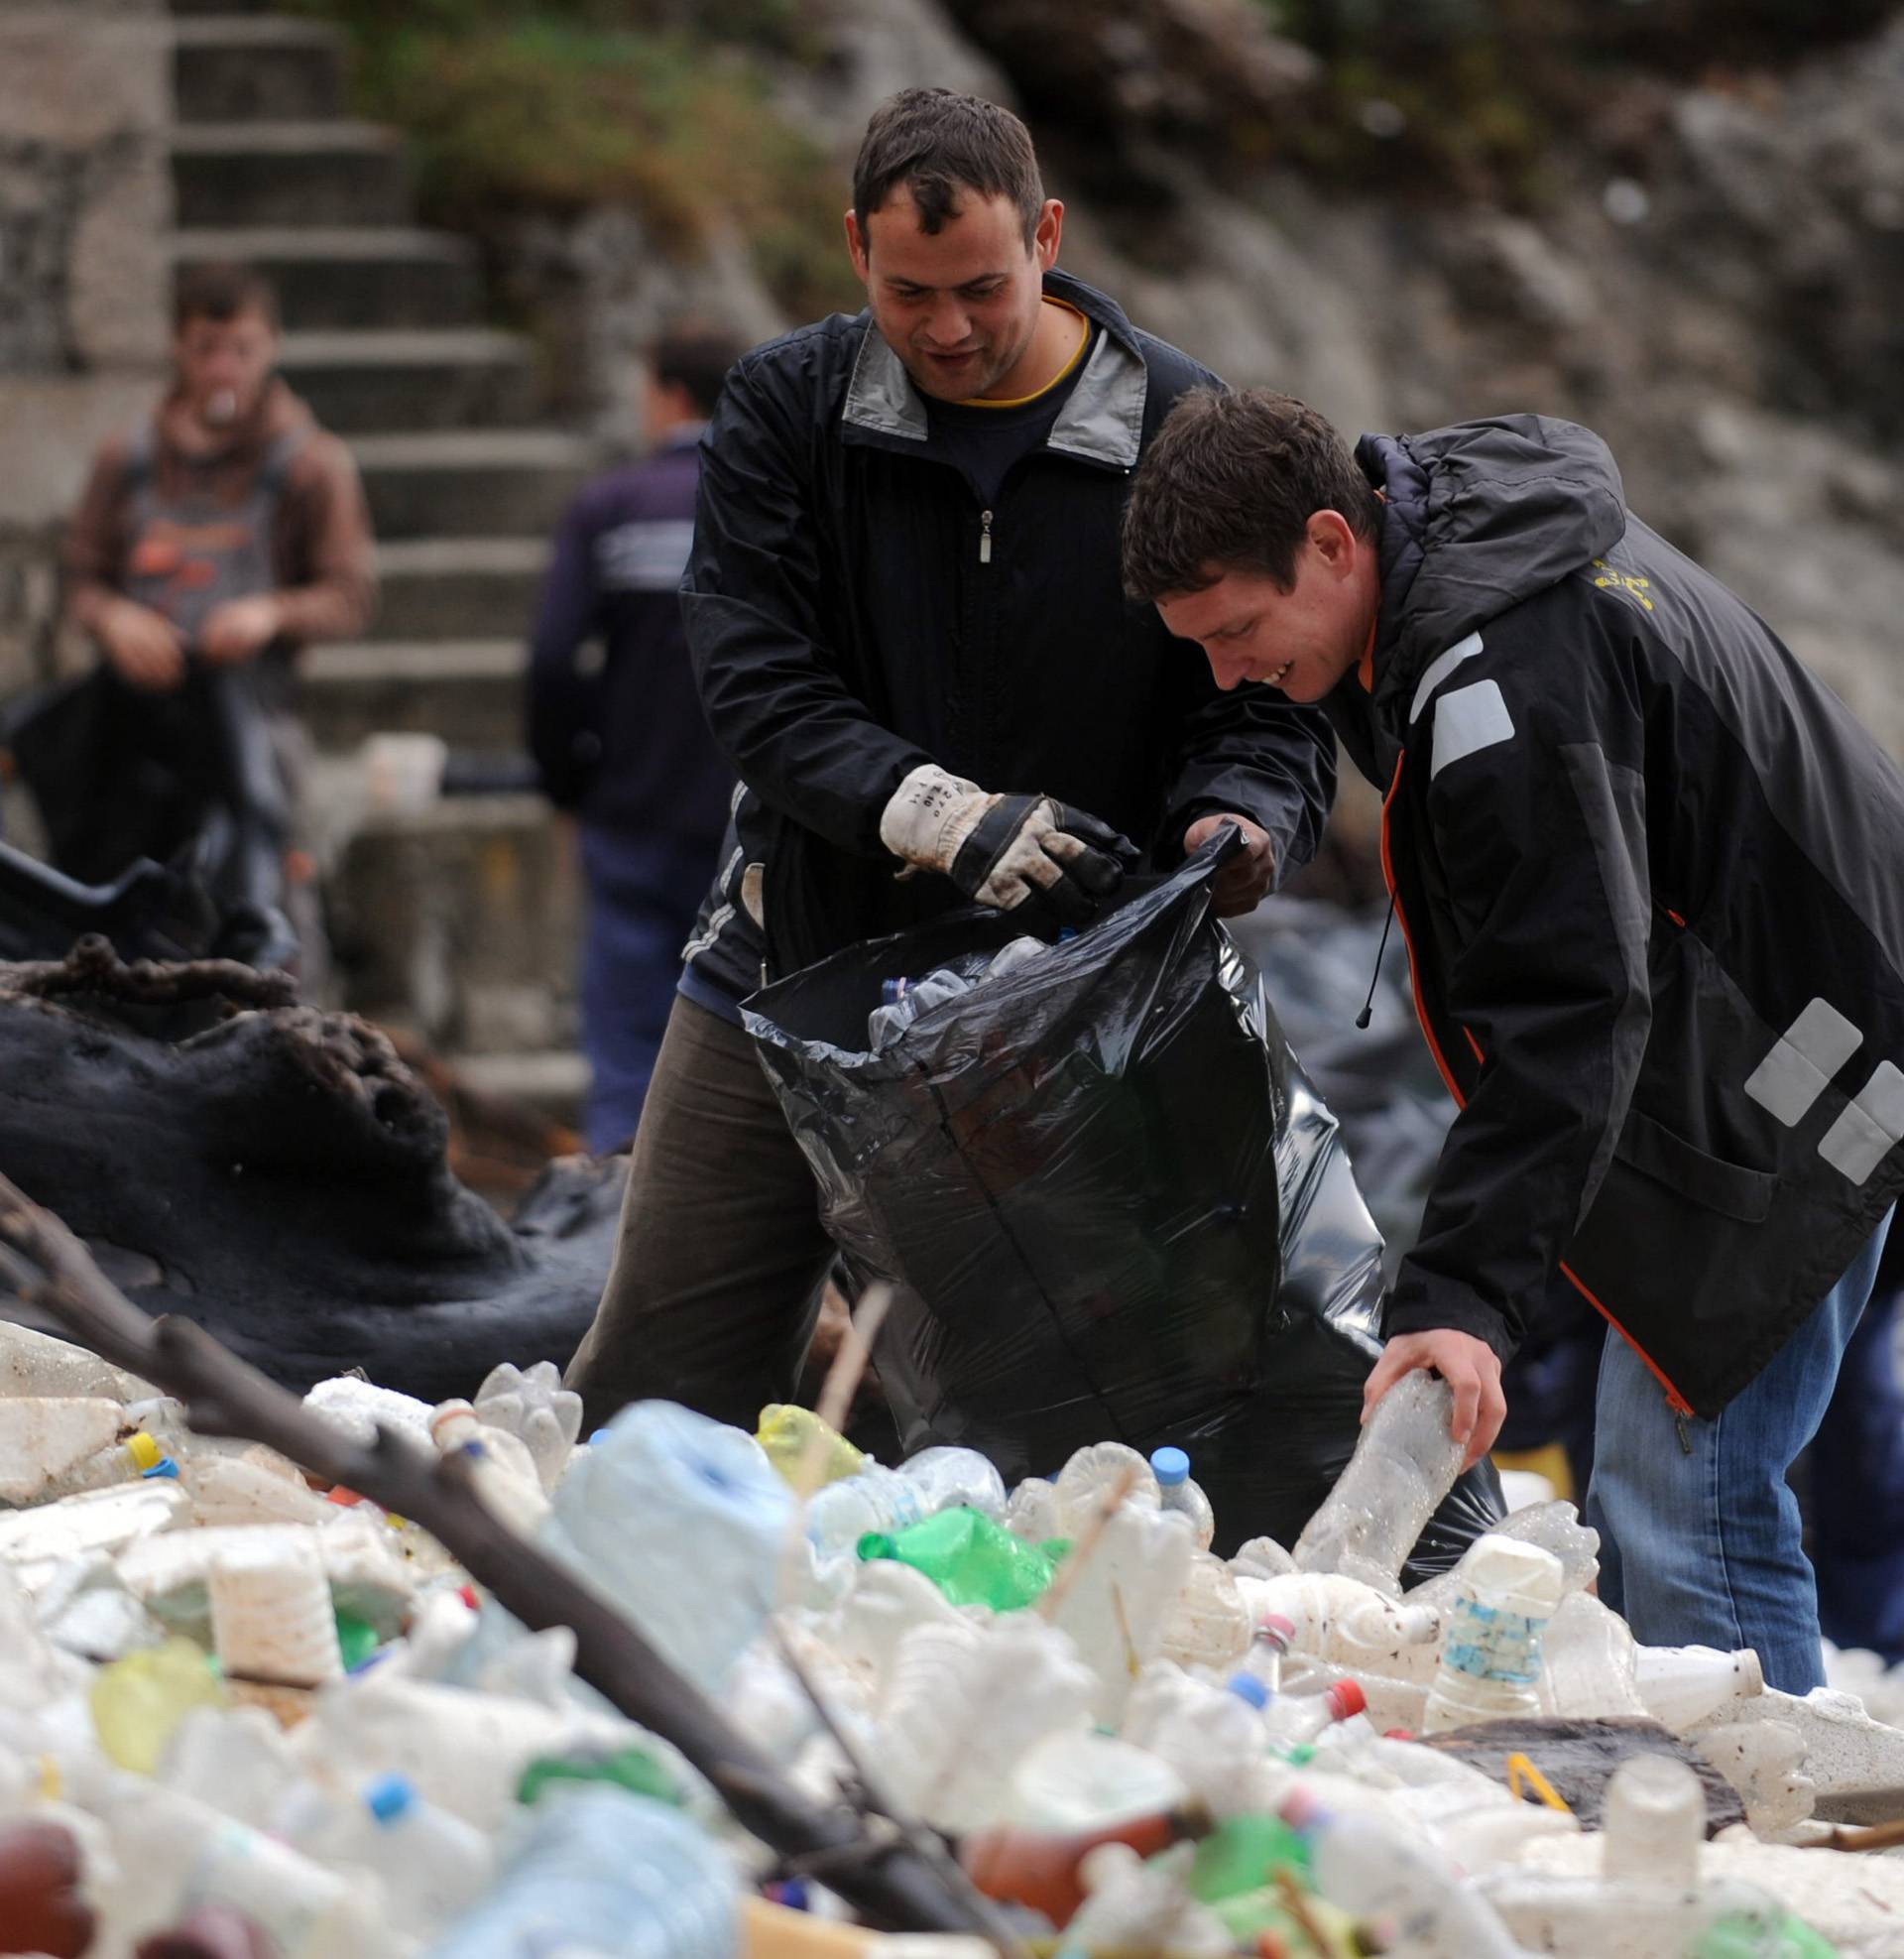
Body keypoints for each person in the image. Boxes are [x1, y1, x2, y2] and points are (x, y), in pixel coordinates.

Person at [564, 89, 1336, 1429]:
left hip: (1050, 1020)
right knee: (650, 1384)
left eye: (982, 286)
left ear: (1045, 233)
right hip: (783, 961)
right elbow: (751, 675)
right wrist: (926, 808)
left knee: (1022, 1423)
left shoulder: (1173, 420)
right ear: (856, 247)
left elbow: (1264, 695)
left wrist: (1242, 815)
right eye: (908, 292)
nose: (948, 329)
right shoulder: (787, 408)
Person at [1120, 387, 1904, 1690]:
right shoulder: (1460, 548)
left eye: (1240, 631)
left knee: (1690, 1494)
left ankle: (1753, 1840)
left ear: (1328, 540)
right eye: (1198, 645)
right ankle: (1731, 1806)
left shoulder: (1508, 681)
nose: (1227, 671)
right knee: (1671, 1471)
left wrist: (1461, 1301)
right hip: (1777, 1024)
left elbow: (1569, 1000)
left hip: (1809, 1064)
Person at [59, 261, 375, 971]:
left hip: (255, 728)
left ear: (271, 347)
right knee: (123, 918)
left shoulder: (310, 465)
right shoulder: (130, 457)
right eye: (206, 348)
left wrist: (271, 611)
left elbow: (351, 594)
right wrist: (114, 620)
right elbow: (81, 577)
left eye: (242, 349)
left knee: (268, 908)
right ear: (178, 347)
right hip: (140, 738)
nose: (223, 368)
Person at [526, 325, 745, 1153]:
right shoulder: (775, 502)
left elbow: (553, 660)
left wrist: (567, 777)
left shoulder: (611, 508)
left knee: (624, 1058)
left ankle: (616, 1234)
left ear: (666, 393)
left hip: (632, 816)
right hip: (747, 823)